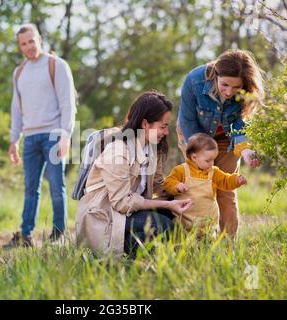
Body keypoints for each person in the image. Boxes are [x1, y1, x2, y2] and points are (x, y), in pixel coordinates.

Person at [76, 91, 192, 257]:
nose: (166, 133)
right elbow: (122, 203)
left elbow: (158, 184)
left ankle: (160, 256)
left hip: (129, 212)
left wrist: (186, 188)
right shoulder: (118, 152)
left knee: (171, 216)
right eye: (163, 127)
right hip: (107, 217)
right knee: (162, 226)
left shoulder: (152, 148)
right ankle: (130, 260)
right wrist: (166, 205)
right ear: (145, 124)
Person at [177, 49, 264, 237]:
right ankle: (197, 239)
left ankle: (228, 244)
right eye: (224, 85)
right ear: (216, 74)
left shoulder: (245, 92)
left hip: (226, 138)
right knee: (199, 187)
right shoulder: (194, 80)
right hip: (193, 136)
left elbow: (241, 125)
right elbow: (187, 121)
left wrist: (245, 150)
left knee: (226, 189)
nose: (228, 92)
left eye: (235, 88)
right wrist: (199, 154)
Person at [5, 24, 76, 247]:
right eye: (23, 44)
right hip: (30, 138)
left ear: (40, 39)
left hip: (54, 135)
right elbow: (16, 108)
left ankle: (59, 235)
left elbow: (68, 103)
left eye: (31, 41)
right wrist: (14, 139)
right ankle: (25, 236)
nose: (28, 47)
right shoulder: (19, 72)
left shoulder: (56, 65)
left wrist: (66, 133)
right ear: (19, 46)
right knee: (30, 188)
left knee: (57, 186)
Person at [163, 133, 247, 237]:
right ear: (194, 157)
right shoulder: (181, 170)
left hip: (207, 225)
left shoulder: (213, 172)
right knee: (184, 247)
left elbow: (226, 181)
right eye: (208, 160)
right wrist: (176, 185)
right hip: (184, 223)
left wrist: (236, 180)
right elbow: (167, 183)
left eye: (213, 159)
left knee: (206, 248)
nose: (212, 163)